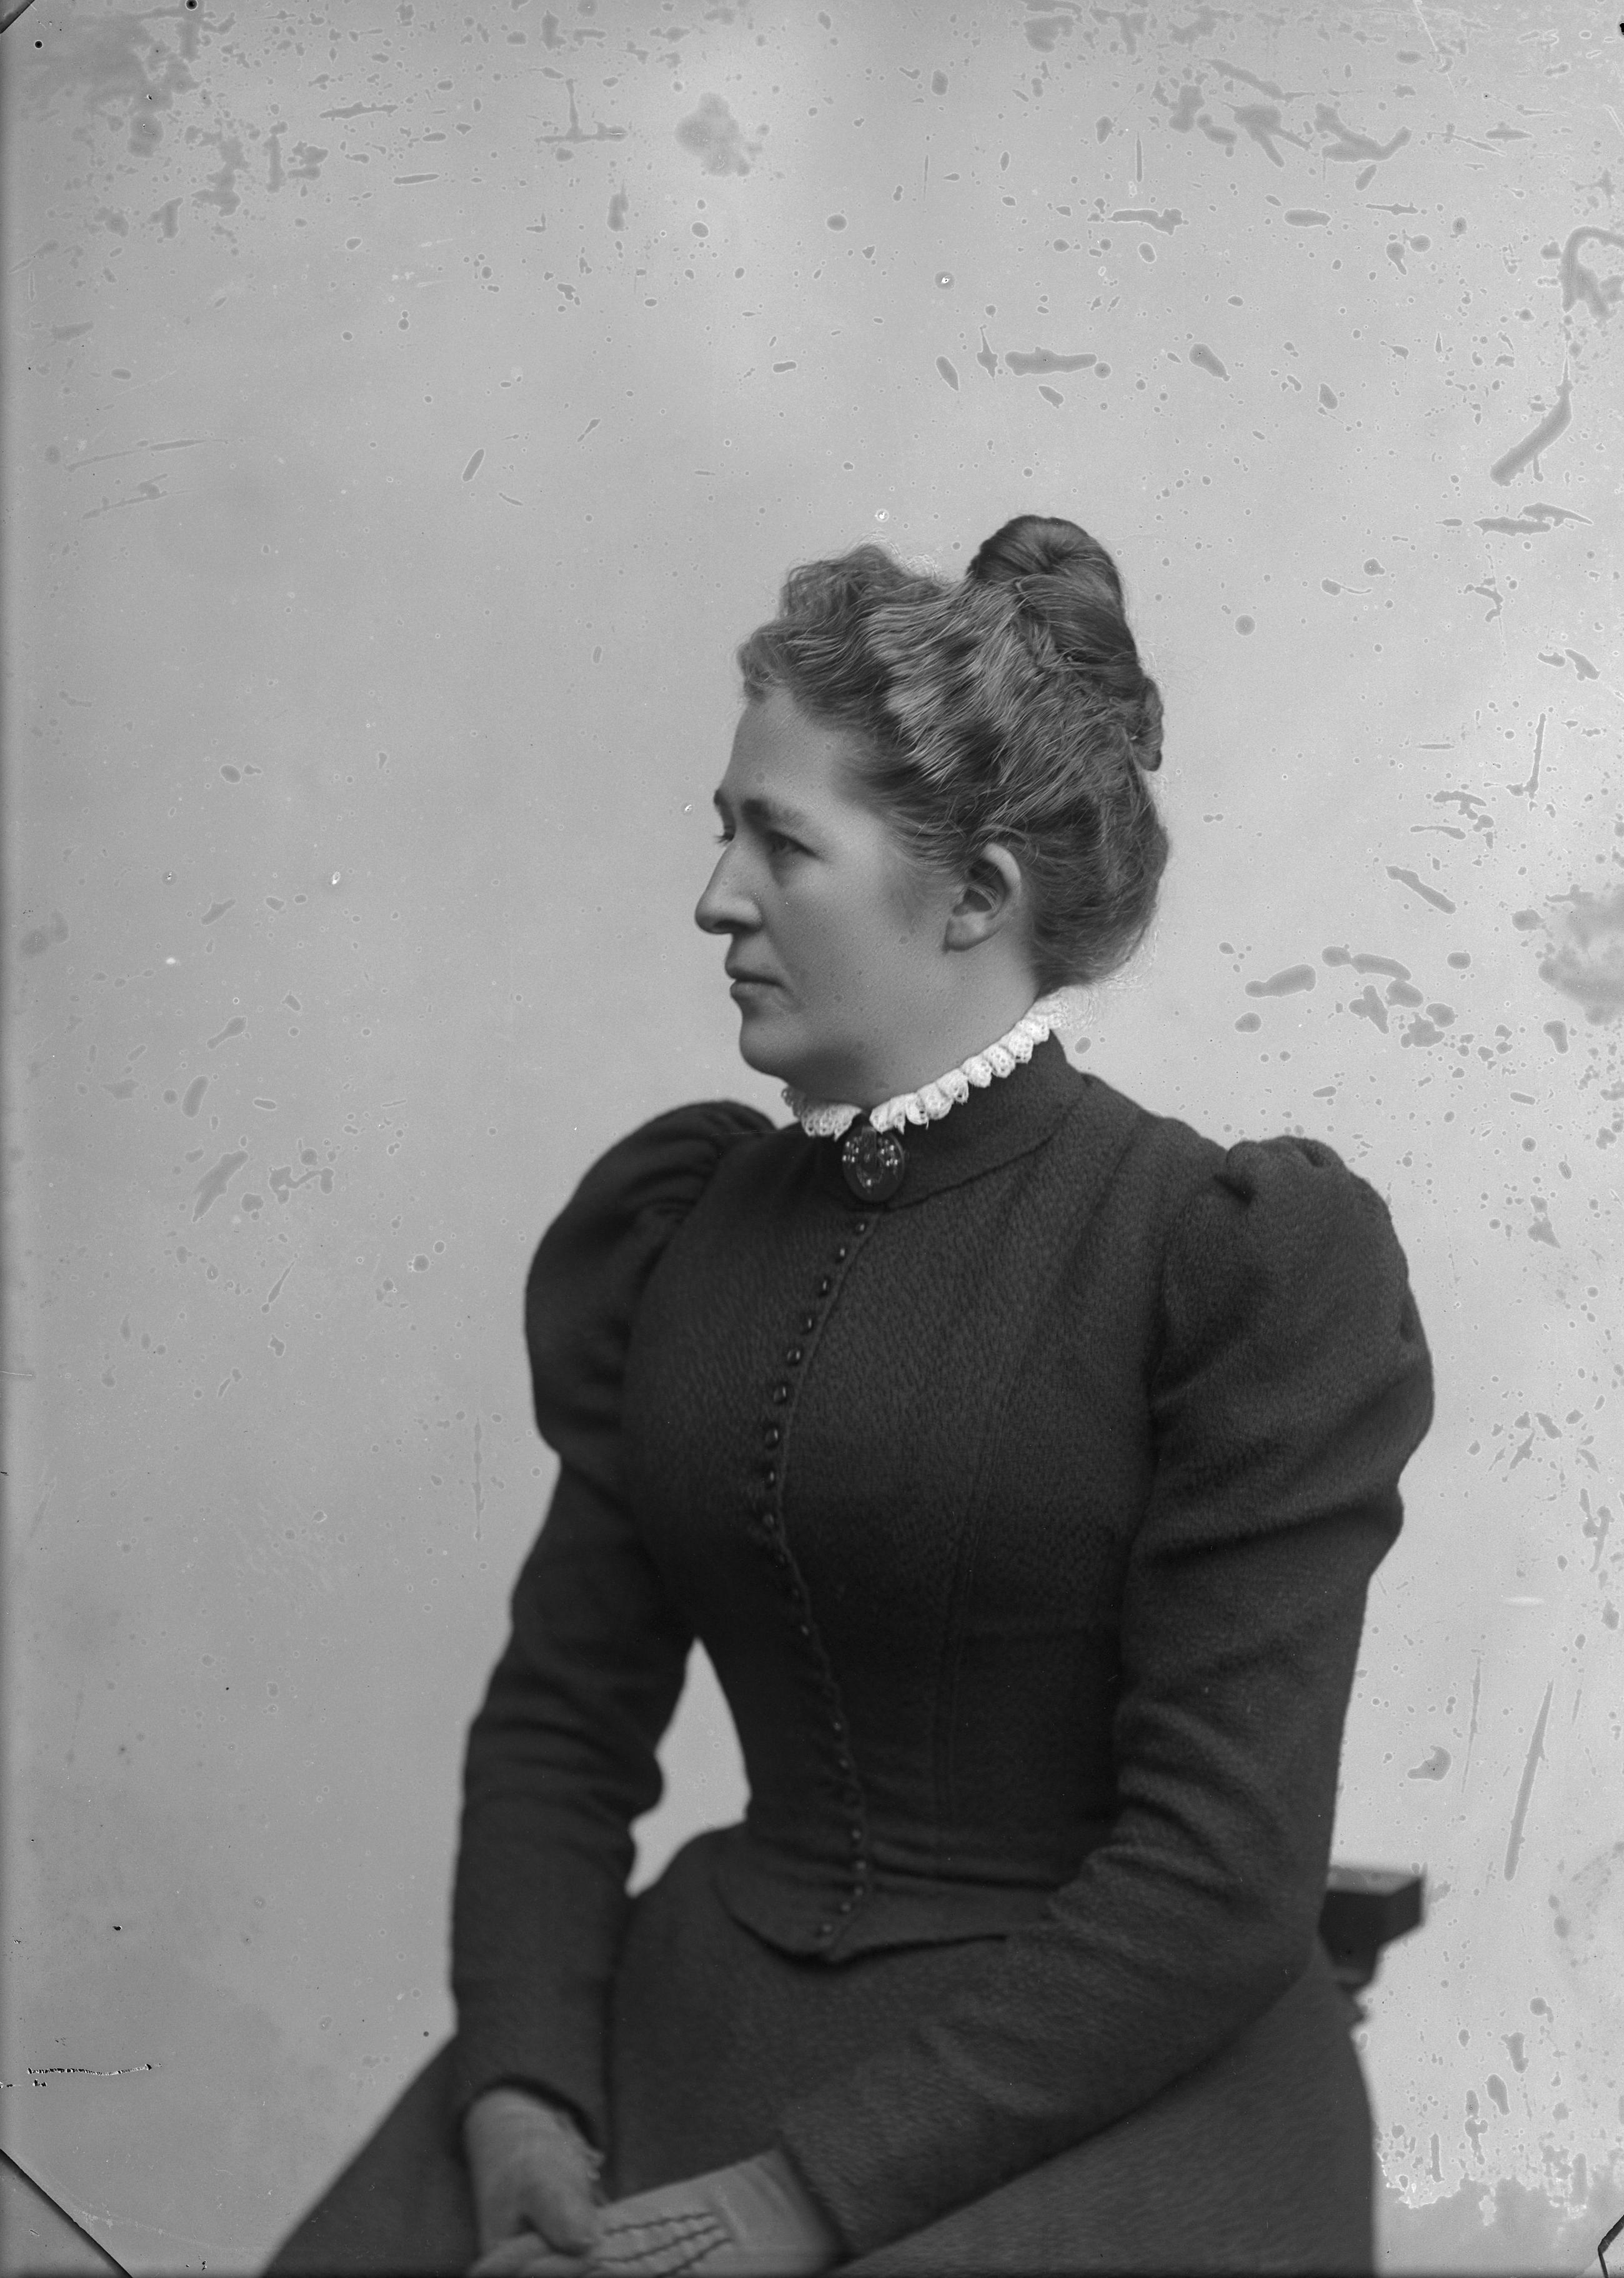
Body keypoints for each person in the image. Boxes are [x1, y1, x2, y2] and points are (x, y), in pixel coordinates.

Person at [268, 514, 1434, 2277]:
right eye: (723, 830)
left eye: (781, 843)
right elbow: (563, 1726)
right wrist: (523, 2095)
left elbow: (1219, 1878)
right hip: (706, 2019)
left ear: (973, 896)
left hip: (1104, 2081)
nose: (716, 897)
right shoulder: (683, 1231)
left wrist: (795, 2199)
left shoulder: (1221, 1257)